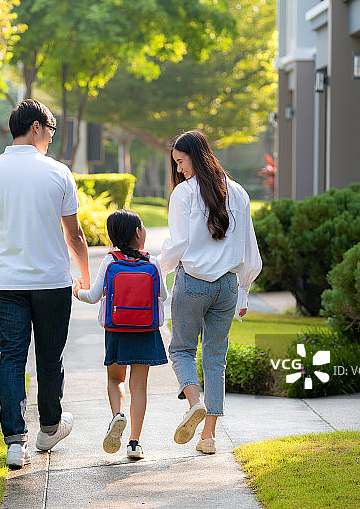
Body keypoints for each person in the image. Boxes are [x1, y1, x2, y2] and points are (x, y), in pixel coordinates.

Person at [0, 99, 91, 469]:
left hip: (7, 282)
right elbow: (75, 235)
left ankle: (14, 442)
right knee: (50, 357)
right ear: (37, 126)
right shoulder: (58, 173)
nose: (51, 140)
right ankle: (50, 428)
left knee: (12, 356)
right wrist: (84, 274)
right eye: (50, 132)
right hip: (52, 281)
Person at [158, 129, 262, 455]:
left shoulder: (184, 194)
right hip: (228, 286)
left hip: (192, 283)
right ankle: (208, 437)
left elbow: (177, 244)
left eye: (180, 161)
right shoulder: (240, 193)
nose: (178, 169)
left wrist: (156, 270)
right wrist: (243, 293)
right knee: (216, 360)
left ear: (195, 156)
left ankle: (194, 403)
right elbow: (250, 251)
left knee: (181, 351)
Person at [74, 209, 168, 460]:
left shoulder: (110, 261)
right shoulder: (152, 262)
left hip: (116, 328)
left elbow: (93, 296)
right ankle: (134, 443)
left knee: (116, 379)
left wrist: (76, 292)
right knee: (139, 386)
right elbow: (163, 296)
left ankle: (117, 415)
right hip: (145, 329)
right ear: (138, 232)